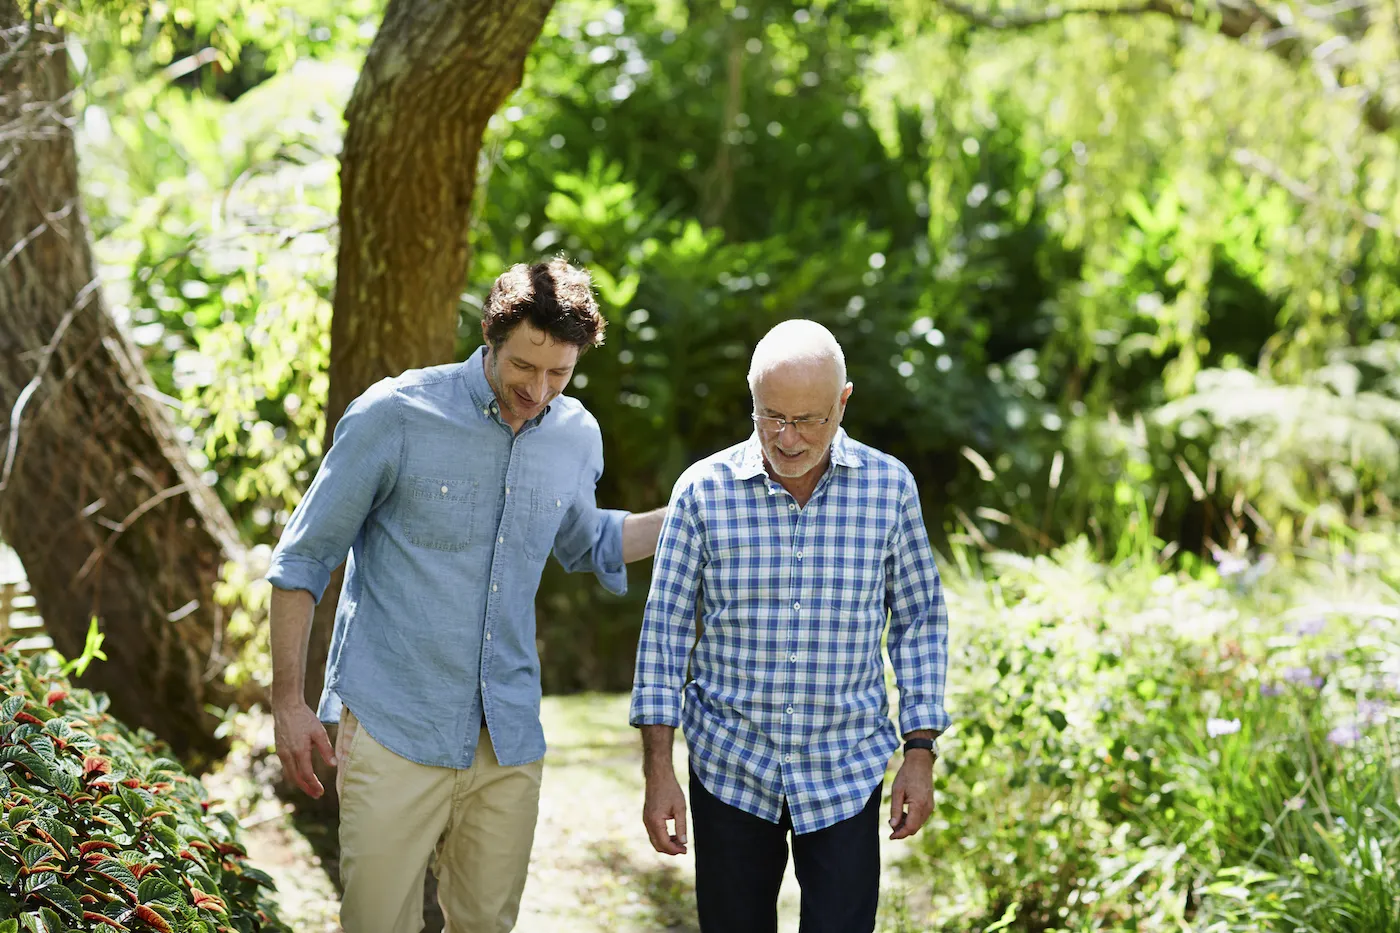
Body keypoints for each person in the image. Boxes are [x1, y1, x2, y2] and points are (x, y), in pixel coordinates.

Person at [266, 258, 665, 933]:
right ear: (489, 336)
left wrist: (685, 519)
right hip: (395, 722)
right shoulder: (395, 414)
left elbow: (585, 540)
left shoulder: (576, 435)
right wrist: (286, 701)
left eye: (558, 374)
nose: (538, 389)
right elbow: (303, 559)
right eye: (523, 367)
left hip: (506, 736)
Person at [629, 319, 950, 933]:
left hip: (845, 768)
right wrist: (659, 770)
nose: (790, 438)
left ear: (843, 401)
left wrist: (920, 751)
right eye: (772, 417)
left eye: (810, 420)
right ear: (750, 400)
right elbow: (664, 633)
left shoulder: (890, 488)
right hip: (730, 768)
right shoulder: (702, 491)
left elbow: (919, 621)